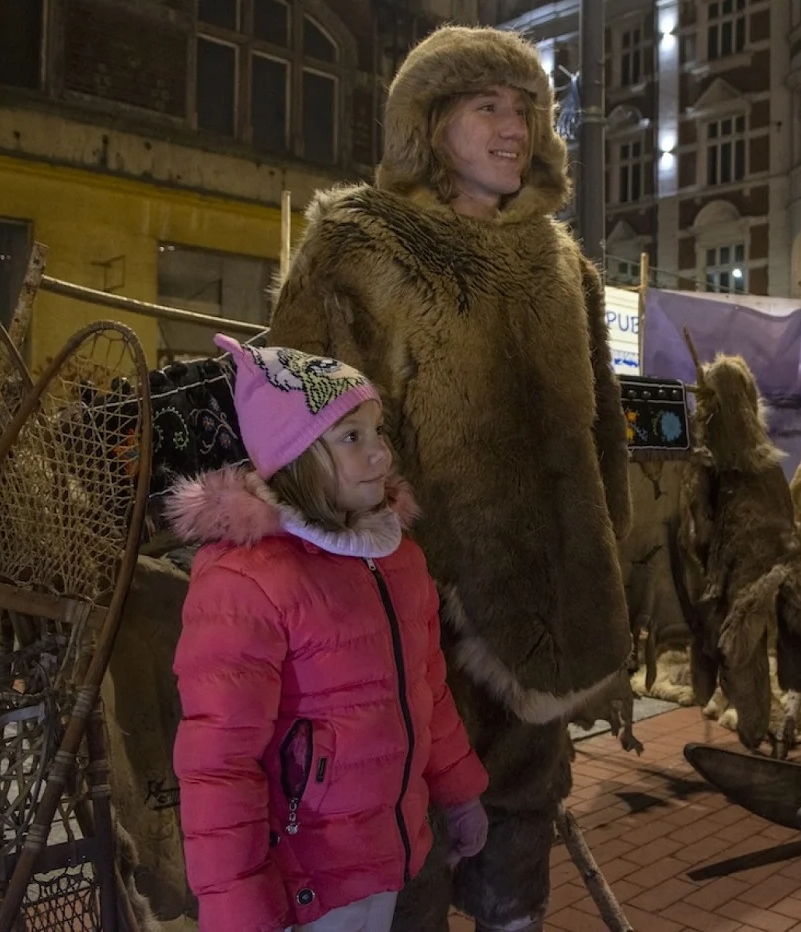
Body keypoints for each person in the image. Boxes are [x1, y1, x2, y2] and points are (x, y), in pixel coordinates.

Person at [267, 25, 632, 931]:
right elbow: (290, 425)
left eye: (528, 111)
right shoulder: (358, 244)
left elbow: (602, 441)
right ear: (429, 124)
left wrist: (602, 563)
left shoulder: (562, 267)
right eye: (488, 107)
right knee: (404, 842)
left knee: (520, 839)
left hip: (539, 609)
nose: (516, 129)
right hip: (400, 609)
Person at [168, 335, 490, 932]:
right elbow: (218, 764)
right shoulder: (246, 583)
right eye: (352, 438)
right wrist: (239, 905)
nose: (381, 456)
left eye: (377, 433)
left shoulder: (397, 560)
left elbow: (428, 690)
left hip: (380, 856)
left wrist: (459, 791)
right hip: (299, 881)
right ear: (295, 457)